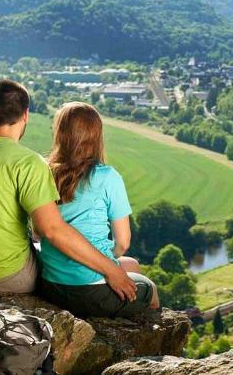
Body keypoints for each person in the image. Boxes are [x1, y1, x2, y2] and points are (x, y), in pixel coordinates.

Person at [0, 80, 136, 302]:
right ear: (26, 115)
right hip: (7, 275)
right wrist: (111, 271)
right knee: (122, 267)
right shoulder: (28, 163)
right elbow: (51, 230)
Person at [39, 102, 159, 318]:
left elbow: (39, 232)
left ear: (60, 134)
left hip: (51, 284)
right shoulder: (106, 177)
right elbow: (122, 243)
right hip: (89, 292)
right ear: (96, 136)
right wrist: (107, 260)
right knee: (149, 288)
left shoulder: (44, 172)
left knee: (132, 264)